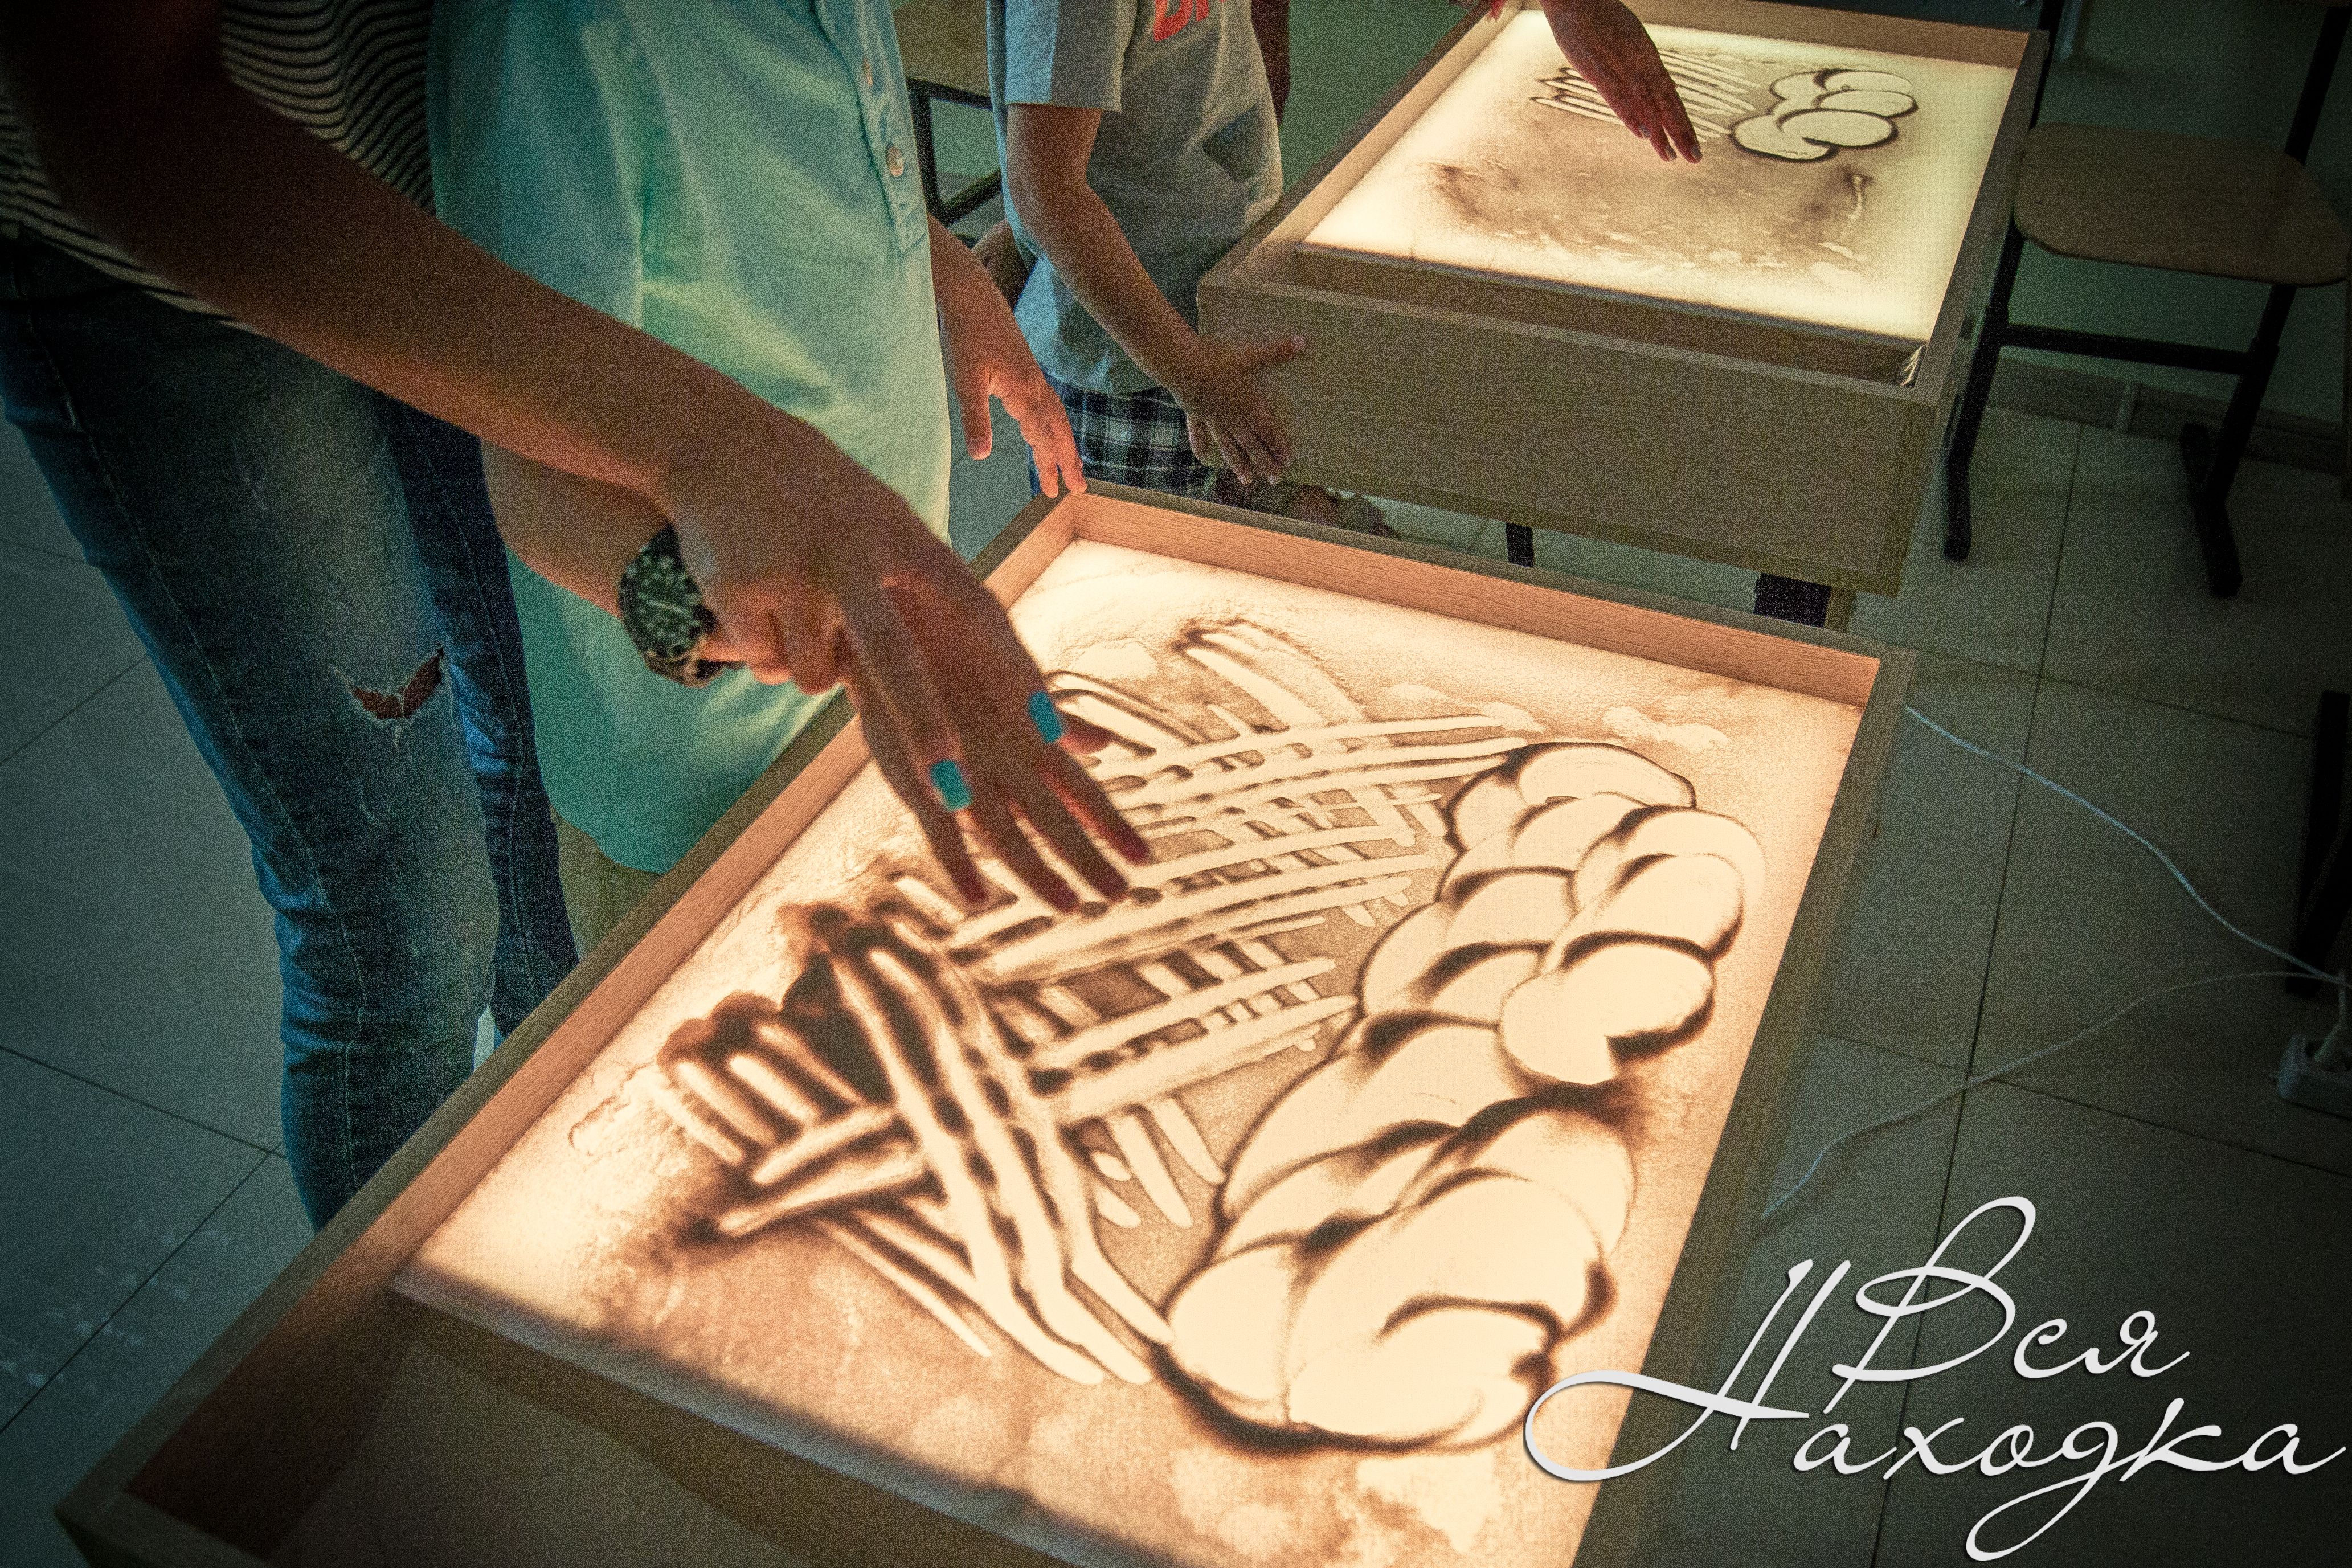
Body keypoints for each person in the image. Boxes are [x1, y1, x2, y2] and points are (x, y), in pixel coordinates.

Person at [0, 0, 1142, 1224]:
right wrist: (707, 508)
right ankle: (401, 1308)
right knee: (405, 915)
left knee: (522, 766)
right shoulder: (569, 43)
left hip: (447, 174)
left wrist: (924, 260)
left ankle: (548, 1153)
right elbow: (126, 115)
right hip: (186, 238)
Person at [428, 0, 1149, 958]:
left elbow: (823, 173)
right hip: (696, 797)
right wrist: (825, 633)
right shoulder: (560, 36)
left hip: (870, 722)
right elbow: (531, 482)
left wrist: (950, 277)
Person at [984, 0, 1697, 519]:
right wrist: (1191, 373)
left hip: (1215, 309)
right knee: (1151, 596)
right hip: (1132, 368)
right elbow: (1044, 183)